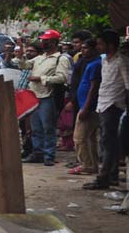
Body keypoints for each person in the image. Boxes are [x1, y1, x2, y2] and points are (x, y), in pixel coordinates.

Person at [83, 30, 129, 189]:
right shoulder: (105, 61)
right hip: (103, 103)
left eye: (101, 43)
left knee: (108, 143)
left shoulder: (121, 61)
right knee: (107, 142)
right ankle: (112, 176)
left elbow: (128, 86)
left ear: (110, 45)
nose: (98, 46)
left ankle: (104, 178)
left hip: (114, 105)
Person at [20, 30, 71, 166]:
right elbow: (24, 65)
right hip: (34, 96)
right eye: (43, 40)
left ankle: (49, 155)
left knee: (48, 127)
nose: (42, 42)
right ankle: (38, 153)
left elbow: (62, 78)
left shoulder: (61, 59)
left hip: (48, 96)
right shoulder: (39, 58)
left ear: (54, 42)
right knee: (36, 128)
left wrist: (41, 78)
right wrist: (21, 55)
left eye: (45, 40)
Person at [69, 38, 101, 175]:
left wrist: (86, 107)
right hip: (85, 104)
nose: (82, 50)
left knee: (79, 137)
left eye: (86, 48)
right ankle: (92, 164)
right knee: (90, 138)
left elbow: (94, 87)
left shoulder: (96, 64)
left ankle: (86, 164)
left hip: (88, 107)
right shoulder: (89, 63)